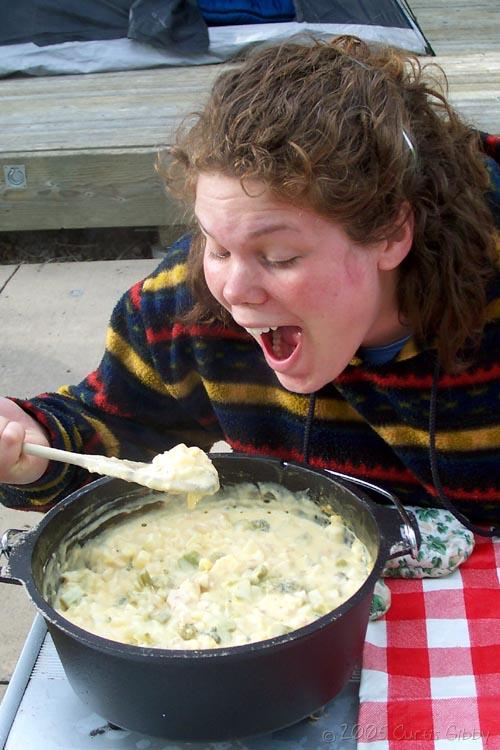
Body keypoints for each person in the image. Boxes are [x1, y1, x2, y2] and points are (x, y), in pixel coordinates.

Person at [0, 36, 499, 535]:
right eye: (217, 247)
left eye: (279, 257)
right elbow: (116, 431)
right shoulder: (190, 304)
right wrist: (33, 442)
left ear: (390, 233)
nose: (235, 290)